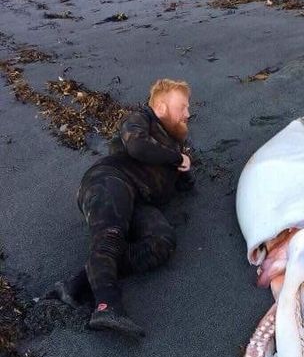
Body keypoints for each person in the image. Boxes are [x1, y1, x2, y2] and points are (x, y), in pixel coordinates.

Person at [46, 78, 195, 338]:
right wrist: (176, 158)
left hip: (139, 200)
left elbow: (179, 183)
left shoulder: (172, 145)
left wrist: (184, 171)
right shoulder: (140, 119)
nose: (188, 114)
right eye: (182, 107)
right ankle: (107, 304)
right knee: (111, 234)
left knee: (162, 241)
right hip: (109, 181)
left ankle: (76, 284)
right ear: (160, 107)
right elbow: (137, 146)